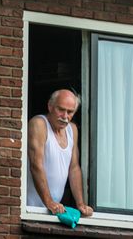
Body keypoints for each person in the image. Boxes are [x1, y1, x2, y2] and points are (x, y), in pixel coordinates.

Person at [27, 89, 94, 218]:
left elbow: (74, 168)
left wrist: (80, 203)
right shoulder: (39, 124)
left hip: (54, 210)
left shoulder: (72, 130)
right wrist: (49, 202)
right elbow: (36, 165)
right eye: (61, 110)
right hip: (31, 208)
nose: (65, 116)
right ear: (50, 107)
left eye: (70, 112)